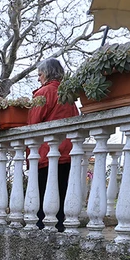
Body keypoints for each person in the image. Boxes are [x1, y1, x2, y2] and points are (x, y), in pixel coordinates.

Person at [27, 58, 80, 230]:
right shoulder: (69, 96)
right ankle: (59, 231)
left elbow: (33, 125)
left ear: (47, 74)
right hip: (67, 154)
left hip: (46, 155)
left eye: (40, 74)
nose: (38, 78)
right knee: (61, 199)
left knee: (42, 201)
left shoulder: (44, 94)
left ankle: (44, 235)